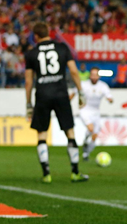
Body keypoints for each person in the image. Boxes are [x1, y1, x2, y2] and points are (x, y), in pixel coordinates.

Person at [25, 22, 89, 183]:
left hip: (42, 95)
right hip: (61, 94)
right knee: (69, 131)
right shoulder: (62, 48)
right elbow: (74, 71)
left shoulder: (32, 53)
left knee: (41, 133)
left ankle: (46, 174)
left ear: (36, 36)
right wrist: (80, 92)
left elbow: (28, 81)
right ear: (49, 33)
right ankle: (75, 172)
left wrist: (28, 103)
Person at [76, 66, 113, 161]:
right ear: (89, 75)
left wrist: (110, 99)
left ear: (99, 76)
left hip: (96, 112)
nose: (93, 77)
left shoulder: (103, 86)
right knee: (91, 128)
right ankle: (85, 141)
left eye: (95, 75)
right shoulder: (83, 84)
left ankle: (86, 153)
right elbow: (74, 92)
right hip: (85, 110)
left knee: (95, 136)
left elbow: (109, 96)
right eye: (92, 74)